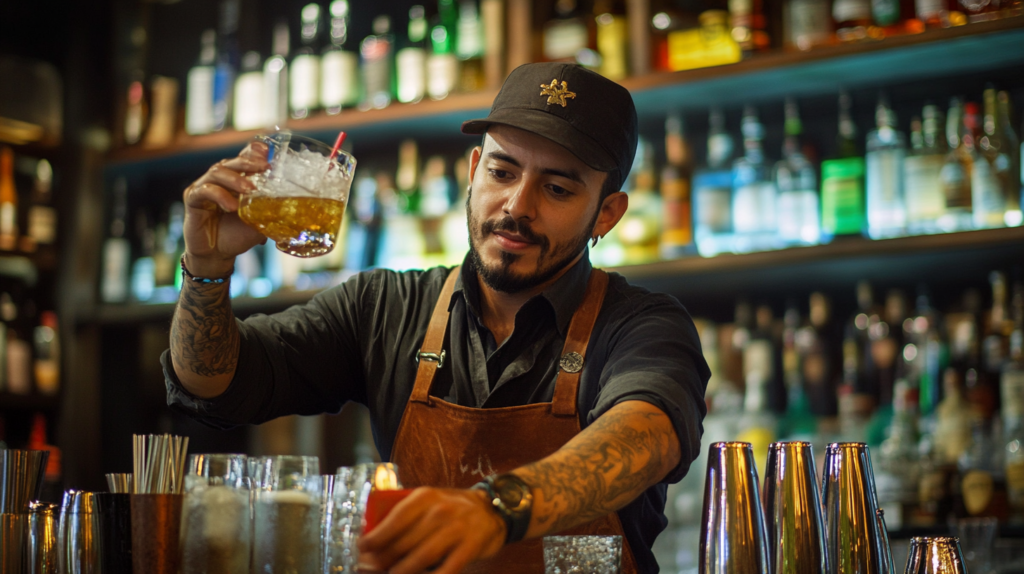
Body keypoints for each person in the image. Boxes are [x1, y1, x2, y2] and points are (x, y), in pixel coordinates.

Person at [164, 62, 709, 574]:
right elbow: (213, 381)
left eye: (558, 188)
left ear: (607, 214)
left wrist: (494, 510)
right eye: (502, 170)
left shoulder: (642, 325)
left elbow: (645, 437)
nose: (518, 205)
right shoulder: (384, 308)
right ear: (474, 171)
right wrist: (207, 268)